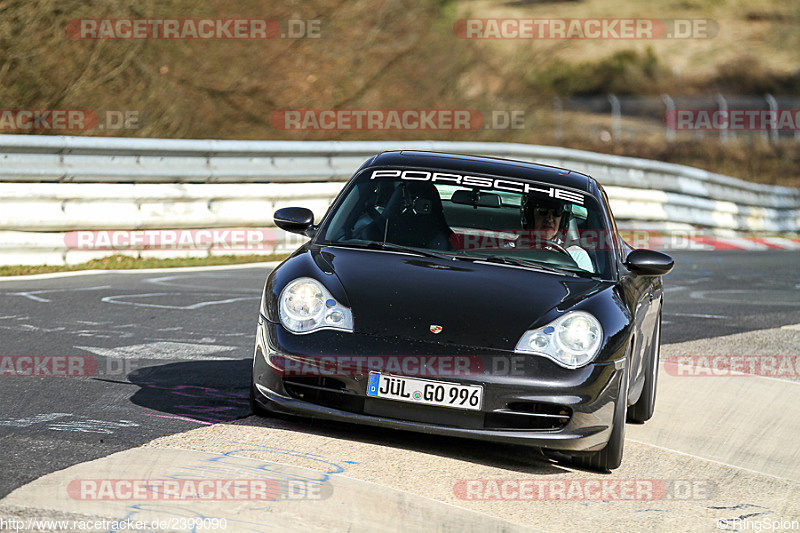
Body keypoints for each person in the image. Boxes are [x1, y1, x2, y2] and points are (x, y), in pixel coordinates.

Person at [522, 195, 593, 272]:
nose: (549, 219)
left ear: (562, 221)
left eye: (557, 212)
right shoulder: (513, 249)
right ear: (530, 216)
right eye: (543, 210)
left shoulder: (577, 256)